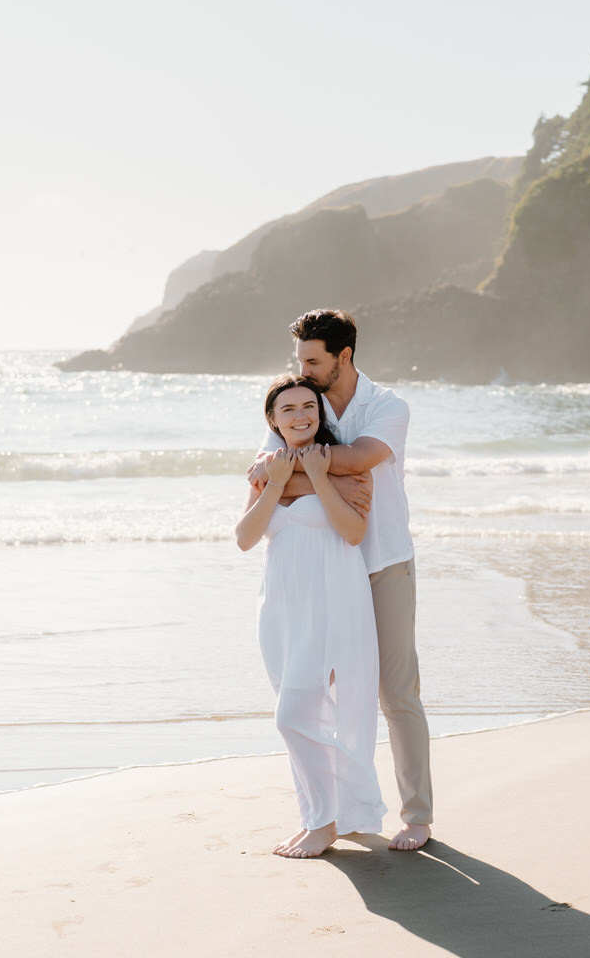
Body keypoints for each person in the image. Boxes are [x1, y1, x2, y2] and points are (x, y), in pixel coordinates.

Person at [249, 309, 432, 852]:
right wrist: (303, 472)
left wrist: (296, 469)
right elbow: (263, 471)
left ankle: (417, 815)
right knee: (312, 695)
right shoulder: (303, 402)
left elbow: (358, 460)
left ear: (343, 356)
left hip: (383, 561)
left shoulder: (388, 407)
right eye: (300, 360)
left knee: (396, 693)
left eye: (312, 360)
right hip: (325, 569)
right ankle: (328, 813)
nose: (302, 369)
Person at [236, 374, 386, 859]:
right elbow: (245, 538)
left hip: (332, 600)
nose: (300, 416)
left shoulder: (345, 467)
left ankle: (325, 821)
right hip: (280, 608)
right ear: (272, 420)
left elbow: (353, 533)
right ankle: (317, 817)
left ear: (319, 414)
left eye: (308, 406)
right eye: (288, 409)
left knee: (293, 716)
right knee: (302, 712)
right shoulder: (267, 470)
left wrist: (319, 477)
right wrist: (276, 483)